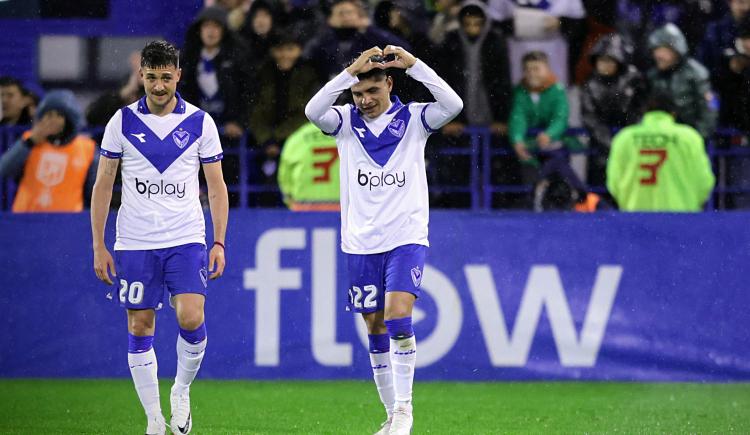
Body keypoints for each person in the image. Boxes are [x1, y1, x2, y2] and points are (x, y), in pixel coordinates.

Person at [305, 45, 462, 434]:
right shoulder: (343, 121)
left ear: (389, 83)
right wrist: (348, 73)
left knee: (397, 317)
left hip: (406, 236)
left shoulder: (414, 119)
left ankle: (405, 411)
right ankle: (391, 414)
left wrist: (416, 66)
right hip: (360, 242)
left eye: (372, 91)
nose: (365, 101)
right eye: (358, 94)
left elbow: (454, 104)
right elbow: (312, 111)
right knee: (374, 327)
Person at [90, 41, 228, 435]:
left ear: (178, 76)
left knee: (191, 316)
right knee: (139, 327)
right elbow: (103, 185)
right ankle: (153, 419)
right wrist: (99, 245)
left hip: (185, 236)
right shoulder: (122, 121)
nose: (159, 86)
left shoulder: (201, 123)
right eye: (151, 77)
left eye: (166, 77)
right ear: (142, 76)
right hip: (134, 240)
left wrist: (218, 242)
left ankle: (181, 391)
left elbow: (216, 187)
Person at [509, 51, 594, 211]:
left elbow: (560, 118)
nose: (532, 73)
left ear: (547, 69)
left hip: (556, 147)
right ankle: (580, 194)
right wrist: (517, 139)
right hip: (531, 149)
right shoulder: (521, 91)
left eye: (536, 68)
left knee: (557, 169)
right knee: (532, 176)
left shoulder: (557, 90)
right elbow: (517, 117)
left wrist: (549, 134)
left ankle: (579, 196)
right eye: (528, 69)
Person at [607, 93, 715, 212]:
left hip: (636, 217)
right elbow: (704, 181)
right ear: (673, 113)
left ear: (645, 112)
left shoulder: (624, 138)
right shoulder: (689, 138)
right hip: (680, 216)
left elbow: (613, 182)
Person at [0, 90, 97, 212]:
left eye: (59, 115)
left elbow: (93, 191)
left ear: (69, 119)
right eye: (49, 115)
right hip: (26, 219)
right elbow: (4, 169)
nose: (53, 120)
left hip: (68, 221)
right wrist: (30, 142)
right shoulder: (29, 140)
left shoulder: (87, 147)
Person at [249, 31, 319, 191]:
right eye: (280, 50)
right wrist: (266, 139)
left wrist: (279, 138)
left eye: (290, 49)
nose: (284, 55)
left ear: (299, 50)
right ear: (273, 52)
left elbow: (306, 113)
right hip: (262, 143)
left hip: (298, 141)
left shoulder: (309, 75)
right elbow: (255, 110)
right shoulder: (262, 73)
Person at [180, 6, 254, 140]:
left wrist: (239, 122)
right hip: (195, 130)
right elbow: (184, 92)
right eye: (206, 26)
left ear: (224, 31)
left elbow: (247, 93)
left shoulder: (237, 58)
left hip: (230, 130)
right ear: (199, 30)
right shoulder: (188, 58)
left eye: (216, 26)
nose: (211, 31)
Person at [581, 33, 646, 186]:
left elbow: (640, 111)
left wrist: (627, 141)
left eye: (610, 60)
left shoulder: (634, 79)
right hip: (602, 149)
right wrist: (612, 145)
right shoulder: (590, 84)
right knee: (601, 188)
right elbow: (590, 119)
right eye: (601, 60)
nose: (605, 65)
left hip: (632, 144)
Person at [647, 24, 717, 139]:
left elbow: (709, 110)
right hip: (657, 139)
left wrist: (696, 138)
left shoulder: (696, 73)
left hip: (689, 137)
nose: (658, 55)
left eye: (663, 49)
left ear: (677, 49)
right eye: (656, 50)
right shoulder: (652, 76)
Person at [277, 122, 340, 211]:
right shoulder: (345, 135)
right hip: (341, 206)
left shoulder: (297, 138)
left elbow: (285, 178)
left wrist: (289, 200)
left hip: (304, 207)